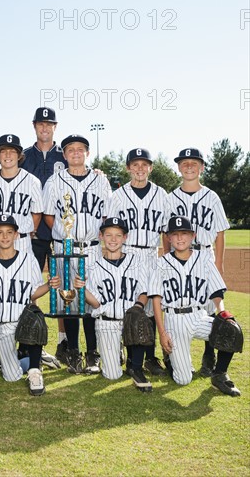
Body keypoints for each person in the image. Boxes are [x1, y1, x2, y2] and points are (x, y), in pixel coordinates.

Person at [43, 134, 112, 374]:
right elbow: (49, 216)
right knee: (68, 300)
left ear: (87, 153)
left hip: (92, 247)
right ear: (64, 155)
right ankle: (73, 350)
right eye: (70, 149)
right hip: (65, 246)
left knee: (92, 301)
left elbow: (106, 215)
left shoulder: (101, 181)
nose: (75, 153)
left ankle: (93, 352)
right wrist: (64, 235)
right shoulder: (54, 181)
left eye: (80, 149)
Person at [149, 216, 240, 396]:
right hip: (174, 320)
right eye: (175, 234)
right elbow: (156, 300)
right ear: (168, 238)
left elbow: (216, 292)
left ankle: (219, 374)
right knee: (183, 379)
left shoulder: (204, 259)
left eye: (185, 234)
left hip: (198, 316)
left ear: (193, 236)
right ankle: (172, 359)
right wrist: (162, 332)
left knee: (230, 329)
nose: (180, 238)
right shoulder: (161, 263)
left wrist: (222, 312)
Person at [164, 147, 230, 377]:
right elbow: (166, 233)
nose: (189, 166)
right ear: (179, 168)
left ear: (202, 167)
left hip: (204, 253)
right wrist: (167, 259)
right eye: (184, 163)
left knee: (209, 306)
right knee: (177, 302)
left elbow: (220, 232)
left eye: (194, 163)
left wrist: (218, 265)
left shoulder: (212, 196)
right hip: (178, 255)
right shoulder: (171, 198)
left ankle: (209, 353)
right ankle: (172, 352)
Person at [106, 148, 170, 376]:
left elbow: (166, 231)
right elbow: (110, 230)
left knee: (153, 306)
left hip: (152, 254)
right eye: (135, 164)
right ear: (128, 168)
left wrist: (168, 259)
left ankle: (150, 358)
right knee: (130, 305)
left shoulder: (162, 195)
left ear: (151, 168)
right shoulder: (118, 196)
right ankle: (131, 355)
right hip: (128, 253)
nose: (140, 169)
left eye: (144, 164)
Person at [0, 214, 60, 396]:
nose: (5, 236)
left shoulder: (29, 259)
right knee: (12, 376)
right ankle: (32, 359)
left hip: (24, 320)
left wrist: (49, 286)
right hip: (2, 325)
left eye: (9, 232)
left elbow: (33, 292)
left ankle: (35, 369)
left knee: (35, 316)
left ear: (17, 234)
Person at [74, 218, 152, 392]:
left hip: (131, 319)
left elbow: (144, 291)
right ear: (101, 236)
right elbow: (95, 303)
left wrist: (138, 307)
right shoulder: (93, 268)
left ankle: (136, 367)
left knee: (138, 319)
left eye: (118, 235)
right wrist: (82, 289)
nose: (113, 239)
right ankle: (116, 353)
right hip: (107, 322)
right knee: (112, 374)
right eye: (108, 235)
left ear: (125, 237)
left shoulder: (137, 262)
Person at [21, 107, 69, 364]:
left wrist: (97, 172)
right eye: (41, 124)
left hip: (62, 232)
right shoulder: (23, 156)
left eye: (49, 124)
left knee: (63, 285)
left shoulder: (66, 155)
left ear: (55, 127)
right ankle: (29, 338)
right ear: (34, 126)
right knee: (32, 287)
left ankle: (63, 340)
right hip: (34, 234)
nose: (45, 128)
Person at [0, 135, 43, 256]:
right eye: (3, 151)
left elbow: (37, 213)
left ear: (19, 155)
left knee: (24, 274)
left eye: (12, 151)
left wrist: (28, 232)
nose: (8, 155)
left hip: (21, 242)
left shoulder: (32, 182)